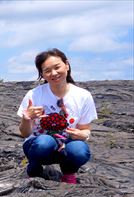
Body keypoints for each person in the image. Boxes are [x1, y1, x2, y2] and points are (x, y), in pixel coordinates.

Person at [17, 48, 97, 184]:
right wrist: (26, 118)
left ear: (67, 65)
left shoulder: (83, 96)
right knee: (44, 142)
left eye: (57, 67)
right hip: (38, 145)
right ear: (42, 74)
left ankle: (68, 172)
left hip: (67, 143)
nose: (53, 73)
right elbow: (25, 133)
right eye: (47, 70)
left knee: (79, 150)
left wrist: (83, 135)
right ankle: (34, 168)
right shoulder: (34, 95)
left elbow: (85, 129)